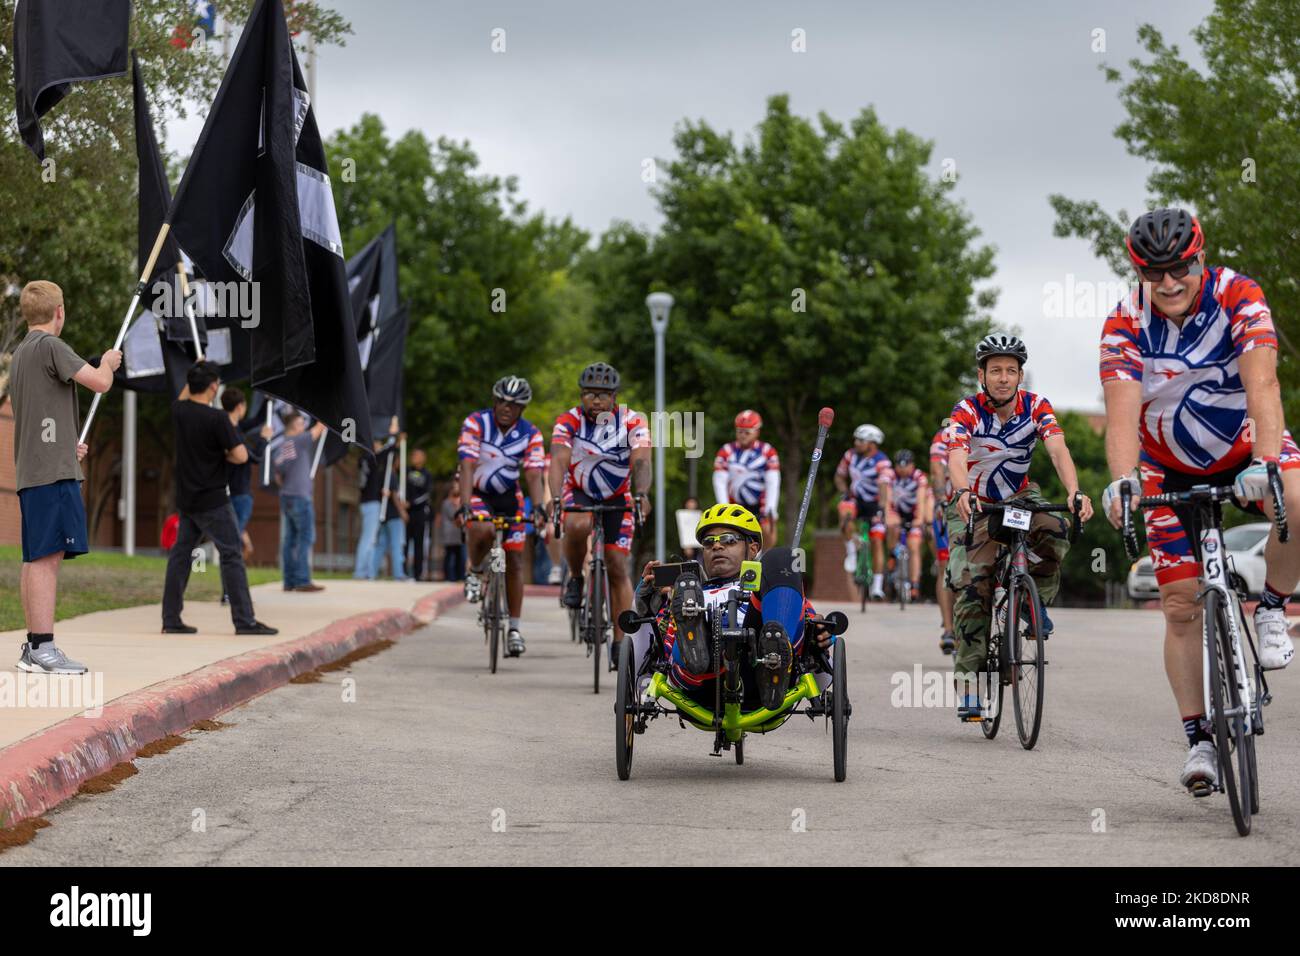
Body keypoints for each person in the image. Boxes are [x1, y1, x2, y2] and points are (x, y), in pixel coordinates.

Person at [1100, 208, 1299, 794]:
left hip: (1246, 444)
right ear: (1139, 272)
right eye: (1154, 271)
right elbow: (1120, 415)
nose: (1169, 282)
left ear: (1201, 258)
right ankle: (1200, 741)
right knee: (1181, 605)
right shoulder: (1123, 322)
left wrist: (1265, 463)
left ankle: (1271, 607)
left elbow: (1262, 384)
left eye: (1180, 267)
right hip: (1165, 466)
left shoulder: (1239, 294)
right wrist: (1121, 480)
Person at [946, 333, 1091, 719]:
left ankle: (1030, 600)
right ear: (982, 375)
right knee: (973, 585)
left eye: (1011, 370)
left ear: (1020, 376)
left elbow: (1058, 449)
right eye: (996, 371)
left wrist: (1076, 492)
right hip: (973, 501)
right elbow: (957, 455)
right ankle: (970, 686)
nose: (1004, 378)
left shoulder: (1036, 406)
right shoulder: (967, 410)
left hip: (1018, 497)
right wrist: (962, 490)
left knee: (1057, 531)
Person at [10, 281, 120, 674]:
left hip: (36, 468)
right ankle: (43, 648)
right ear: (59, 312)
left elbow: (41, 415)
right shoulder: (51, 347)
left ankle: (34, 647)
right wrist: (108, 361)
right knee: (46, 559)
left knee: (35, 558)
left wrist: (63, 445)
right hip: (50, 476)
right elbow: (100, 383)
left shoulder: (21, 354)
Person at [638, 504, 835, 711]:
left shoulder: (771, 589)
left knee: (783, 558)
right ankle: (695, 638)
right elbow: (651, 641)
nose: (717, 546)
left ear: (753, 548)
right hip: (700, 681)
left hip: (761, 676)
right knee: (687, 593)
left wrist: (819, 630)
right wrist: (644, 601)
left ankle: (775, 653)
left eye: (728, 539)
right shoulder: (687, 592)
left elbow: (811, 625)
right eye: (708, 542)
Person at [162, 362, 277, 636]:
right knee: (231, 553)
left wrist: (195, 375)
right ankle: (244, 620)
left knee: (181, 556)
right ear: (214, 387)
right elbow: (241, 456)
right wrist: (223, 454)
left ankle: (171, 618)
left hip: (187, 499)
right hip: (213, 499)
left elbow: (183, 394)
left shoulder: (179, 411)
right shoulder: (217, 419)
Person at [550, 362, 652, 667]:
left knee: (618, 564)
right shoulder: (569, 420)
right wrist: (555, 497)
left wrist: (642, 494)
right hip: (579, 489)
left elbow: (642, 461)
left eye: (603, 395)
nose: (596, 400)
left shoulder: (633, 421)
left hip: (618, 495)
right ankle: (577, 578)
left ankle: (621, 641)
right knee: (577, 524)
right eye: (590, 394)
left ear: (615, 397)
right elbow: (557, 460)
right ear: (581, 395)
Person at [457, 376, 548, 655]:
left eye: (514, 404)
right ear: (494, 401)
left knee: (516, 559)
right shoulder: (476, 423)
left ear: (522, 409)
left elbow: (533, 473)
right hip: (478, 491)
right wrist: (464, 504)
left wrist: (539, 507)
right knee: (482, 530)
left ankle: (514, 629)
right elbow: (468, 464)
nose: (506, 408)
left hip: (510, 497)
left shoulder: (531, 433)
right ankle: (474, 570)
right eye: (502, 402)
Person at [835, 424, 892, 600]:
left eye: (861, 440)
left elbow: (883, 486)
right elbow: (839, 476)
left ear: (872, 444)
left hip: (874, 503)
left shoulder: (882, 461)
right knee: (844, 511)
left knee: (876, 541)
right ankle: (851, 551)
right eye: (856, 439)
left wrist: (881, 508)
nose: (856, 442)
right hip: (856, 500)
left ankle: (876, 586)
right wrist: (844, 491)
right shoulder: (850, 455)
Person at [274, 409, 327, 592]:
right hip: (300, 497)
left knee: (290, 540)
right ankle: (303, 580)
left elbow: (278, 474)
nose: (304, 426)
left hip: (287, 496)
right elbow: (319, 428)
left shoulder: (283, 446)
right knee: (305, 537)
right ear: (294, 426)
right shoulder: (299, 440)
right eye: (301, 423)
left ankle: (289, 581)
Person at [712, 409, 781, 544]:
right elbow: (719, 482)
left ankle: (765, 560)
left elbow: (773, 481)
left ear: (757, 431)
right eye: (739, 431)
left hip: (759, 503)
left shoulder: (768, 451)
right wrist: (724, 509)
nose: (743, 435)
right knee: (728, 535)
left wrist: (771, 509)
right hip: (734, 503)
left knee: (768, 530)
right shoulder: (726, 451)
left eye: (747, 432)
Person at [220, 387, 270, 564]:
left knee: (233, 535)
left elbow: (258, 420)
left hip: (230, 491)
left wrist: (267, 400)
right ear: (240, 406)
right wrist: (264, 439)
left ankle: (232, 578)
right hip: (239, 492)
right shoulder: (232, 432)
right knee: (232, 540)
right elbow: (252, 457)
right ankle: (232, 581)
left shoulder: (230, 427)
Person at [353, 419, 403, 579]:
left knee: (369, 538)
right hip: (371, 503)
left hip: (366, 502)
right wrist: (393, 434)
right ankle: (361, 572)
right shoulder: (370, 458)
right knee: (369, 539)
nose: (379, 446)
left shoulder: (363, 460)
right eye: (377, 444)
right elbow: (388, 450)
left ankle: (365, 571)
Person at [884, 449, 928, 602]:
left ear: (912, 465)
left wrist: (919, 518)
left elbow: (921, 500)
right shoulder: (890, 476)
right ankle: (891, 555)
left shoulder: (919, 477)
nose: (902, 469)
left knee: (914, 546)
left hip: (913, 513)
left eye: (906, 465)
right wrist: (888, 515)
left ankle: (914, 584)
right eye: (899, 465)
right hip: (897, 512)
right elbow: (887, 499)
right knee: (891, 526)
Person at [928, 424, 956, 653]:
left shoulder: (943, 434)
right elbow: (937, 470)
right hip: (954, 508)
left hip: (958, 506)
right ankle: (948, 627)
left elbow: (936, 471)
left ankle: (949, 629)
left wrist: (940, 501)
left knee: (945, 568)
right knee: (946, 566)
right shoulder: (945, 435)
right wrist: (940, 500)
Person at [404, 448, 434, 581]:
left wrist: (411, 503)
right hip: (406, 513)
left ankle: (418, 574)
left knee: (418, 544)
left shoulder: (427, 474)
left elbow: (427, 494)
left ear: (423, 458)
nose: (414, 457)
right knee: (404, 543)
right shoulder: (406, 471)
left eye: (417, 455)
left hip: (419, 513)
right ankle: (403, 572)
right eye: (413, 455)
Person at [439, 478, 466, 582]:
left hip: (459, 534)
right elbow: (453, 515)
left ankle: (460, 576)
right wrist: (457, 506)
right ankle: (449, 577)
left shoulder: (463, 502)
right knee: (450, 557)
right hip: (450, 534)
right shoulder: (446, 503)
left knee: (461, 556)